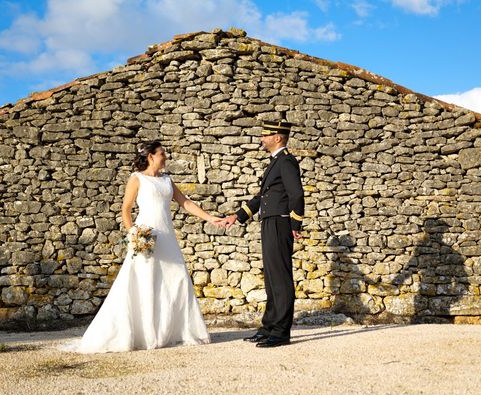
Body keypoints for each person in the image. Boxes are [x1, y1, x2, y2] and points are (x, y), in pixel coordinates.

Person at [61, 140, 221, 353]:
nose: (165, 156)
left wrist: (211, 218)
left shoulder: (167, 180)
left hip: (167, 237)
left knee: (177, 278)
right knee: (143, 281)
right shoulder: (137, 179)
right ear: (151, 156)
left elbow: (186, 203)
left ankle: (177, 331)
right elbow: (126, 209)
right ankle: (143, 334)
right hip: (146, 235)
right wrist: (134, 233)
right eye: (162, 153)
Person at [219, 121, 305, 348]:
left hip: (280, 222)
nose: (262, 138)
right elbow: (261, 197)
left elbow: (296, 194)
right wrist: (237, 216)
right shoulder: (276, 162)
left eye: (266, 135)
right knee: (271, 278)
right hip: (269, 221)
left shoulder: (286, 161)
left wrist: (295, 223)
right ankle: (268, 327)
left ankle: (281, 332)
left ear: (278, 137)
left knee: (280, 278)